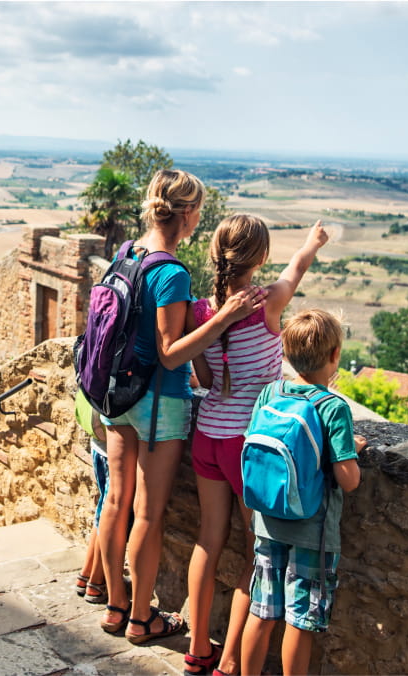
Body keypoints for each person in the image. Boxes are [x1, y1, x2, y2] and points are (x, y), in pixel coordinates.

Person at [97, 169, 268, 644]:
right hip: (156, 404)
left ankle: (115, 607)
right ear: (189, 214)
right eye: (198, 210)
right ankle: (139, 619)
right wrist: (227, 317)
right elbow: (172, 352)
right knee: (148, 514)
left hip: (117, 395)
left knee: (115, 499)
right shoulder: (171, 272)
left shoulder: (127, 252)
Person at [184, 216, 328, 675]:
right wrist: (312, 241)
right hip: (248, 445)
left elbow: (204, 379)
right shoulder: (267, 303)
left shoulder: (202, 311)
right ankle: (229, 661)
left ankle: (196, 647)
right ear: (261, 258)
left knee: (208, 540)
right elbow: (297, 269)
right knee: (255, 553)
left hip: (206, 435)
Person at [239, 309, 365, 676]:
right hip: (313, 531)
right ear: (335, 355)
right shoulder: (333, 407)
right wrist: (351, 449)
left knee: (261, 611)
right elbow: (349, 479)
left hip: (267, 522)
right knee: (300, 619)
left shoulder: (270, 392)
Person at [73, 389, 114, 605]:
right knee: (112, 506)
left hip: (95, 422)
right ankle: (97, 582)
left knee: (105, 504)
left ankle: (87, 573)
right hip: (111, 430)